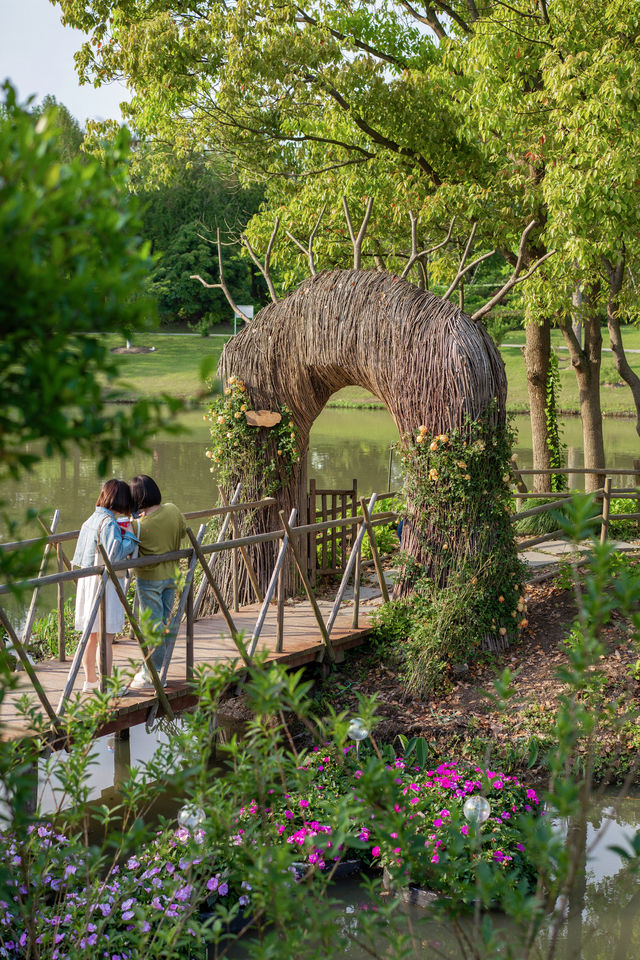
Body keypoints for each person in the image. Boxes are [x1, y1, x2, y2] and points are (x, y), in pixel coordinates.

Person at [72, 479, 138, 692]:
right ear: (121, 501)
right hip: (104, 582)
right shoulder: (109, 523)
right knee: (106, 637)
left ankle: (90, 681)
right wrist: (129, 537)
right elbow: (115, 555)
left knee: (91, 635)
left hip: (87, 580)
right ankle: (107, 686)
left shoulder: (90, 519)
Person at [129, 475, 187, 690]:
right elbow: (182, 533)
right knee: (162, 622)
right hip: (172, 576)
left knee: (150, 626)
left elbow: (128, 550)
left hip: (149, 580)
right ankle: (158, 668)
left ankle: (149, 675)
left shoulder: (139, 526)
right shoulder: (172, 509)